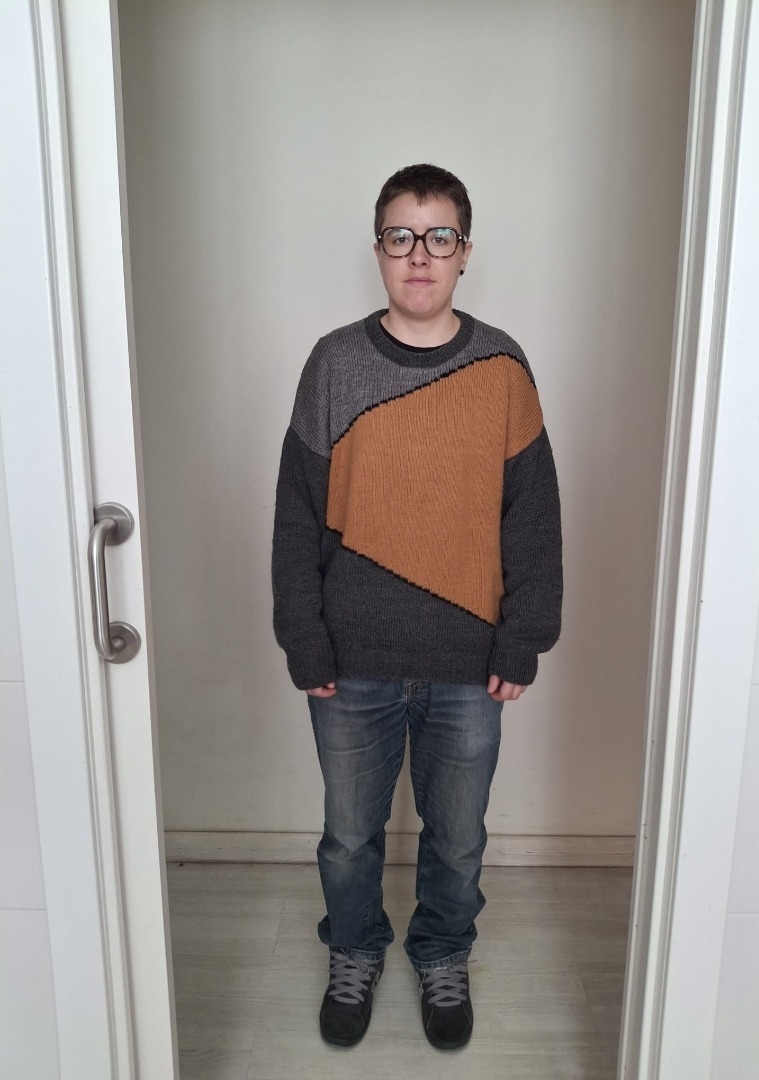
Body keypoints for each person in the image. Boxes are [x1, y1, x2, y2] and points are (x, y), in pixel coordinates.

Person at [271, 163, 562, 1051]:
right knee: (349, 837)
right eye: (401, 236)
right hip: (350, 658)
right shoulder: (333, 362)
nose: (420, 254)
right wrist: (303, 638)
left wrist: (524, 637)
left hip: (470, 663)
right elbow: (295, 514)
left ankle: (442, 954)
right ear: (379, 250)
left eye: (440, 236)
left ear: (465, 252)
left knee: (459, 837)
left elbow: (533, 515)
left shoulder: (502, 366)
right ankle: (354, 949)